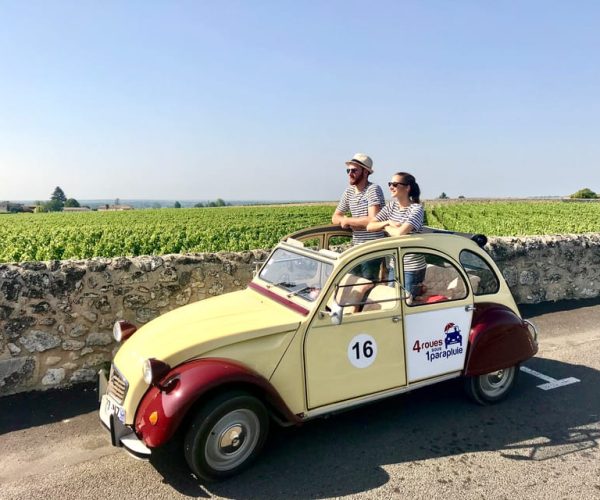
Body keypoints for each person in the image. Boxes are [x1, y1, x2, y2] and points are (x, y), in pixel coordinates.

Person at [366, 172, 426, 297]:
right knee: (392, 300)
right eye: (390, 184)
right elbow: (370, 226)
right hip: (395, 264)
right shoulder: (391, 206)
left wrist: (384, 227)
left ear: (407, 188)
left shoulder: (416, 209)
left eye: (394, 184)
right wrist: (388, 222)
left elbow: (400, 233)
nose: (390, 187)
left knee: (405, 304)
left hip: (411, 268)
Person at [332, 153, 386, 282]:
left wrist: (347, 221)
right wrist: (345, 220)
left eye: (354, 170)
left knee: (365, 285)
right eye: (348, 170)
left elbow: (373, 220)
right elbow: (335, 217)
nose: (350, 173)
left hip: (372, 250)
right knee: (351, 282)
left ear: (366, 172)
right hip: (357, 248)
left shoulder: (373, 189)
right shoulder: (349, 191)